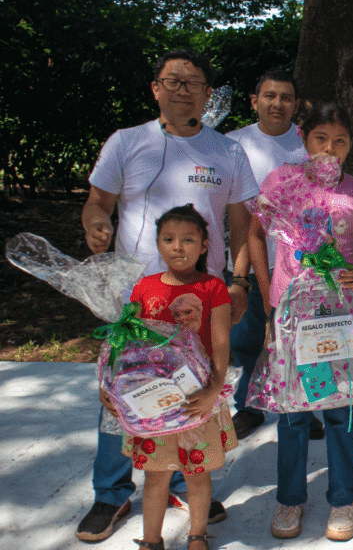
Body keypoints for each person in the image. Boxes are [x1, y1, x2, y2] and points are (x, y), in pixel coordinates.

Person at [78, 48, 258, 542]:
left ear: (207, 92)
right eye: (171, 80)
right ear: (155, 88)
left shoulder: (228, 151)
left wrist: (237, 281)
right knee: (123, 390)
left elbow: (242, 223)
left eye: (192, 81)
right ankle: (112, 492)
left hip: (200, 298)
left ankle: (182, 476)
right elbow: (99, 202)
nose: (182, 88)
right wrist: (96, 223)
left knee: (194, 384)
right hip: (139, 300)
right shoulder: (127, 142)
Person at [248, 102, 353, 541]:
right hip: (293, 315)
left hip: (338, 316)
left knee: (340, 408)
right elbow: (253, 232)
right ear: (304, 138)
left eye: (340, 141)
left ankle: (343, 498)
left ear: (350, 145)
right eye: (321, 138)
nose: (330, 148)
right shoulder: (282, 182)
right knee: (293, 412)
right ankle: (290, 499)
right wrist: (269, 292)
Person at [116, 205, 237, 550]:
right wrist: (108, 386)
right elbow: (127, 343)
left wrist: (214, 387)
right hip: (154, 401)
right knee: (155, 477)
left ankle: (197, 534)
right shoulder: (144, 288)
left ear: (203, 245)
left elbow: (220, 341)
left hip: (197, 398)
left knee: (197, 473)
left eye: (188, 239)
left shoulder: (213, 287)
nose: (177, 246)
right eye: (168, 239)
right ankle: (150, 540)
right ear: (157, 243)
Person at [225, 70, 323, 441]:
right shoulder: (232, 145)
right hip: (244, 261)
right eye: (269, 96)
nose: (277, 103)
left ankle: (307, 405)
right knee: (246, 338)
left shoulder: (309, 145)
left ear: (296, 105)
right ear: (254, 101)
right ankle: (249, 406)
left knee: (305, 337)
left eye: (286, 97)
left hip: (300, 267)